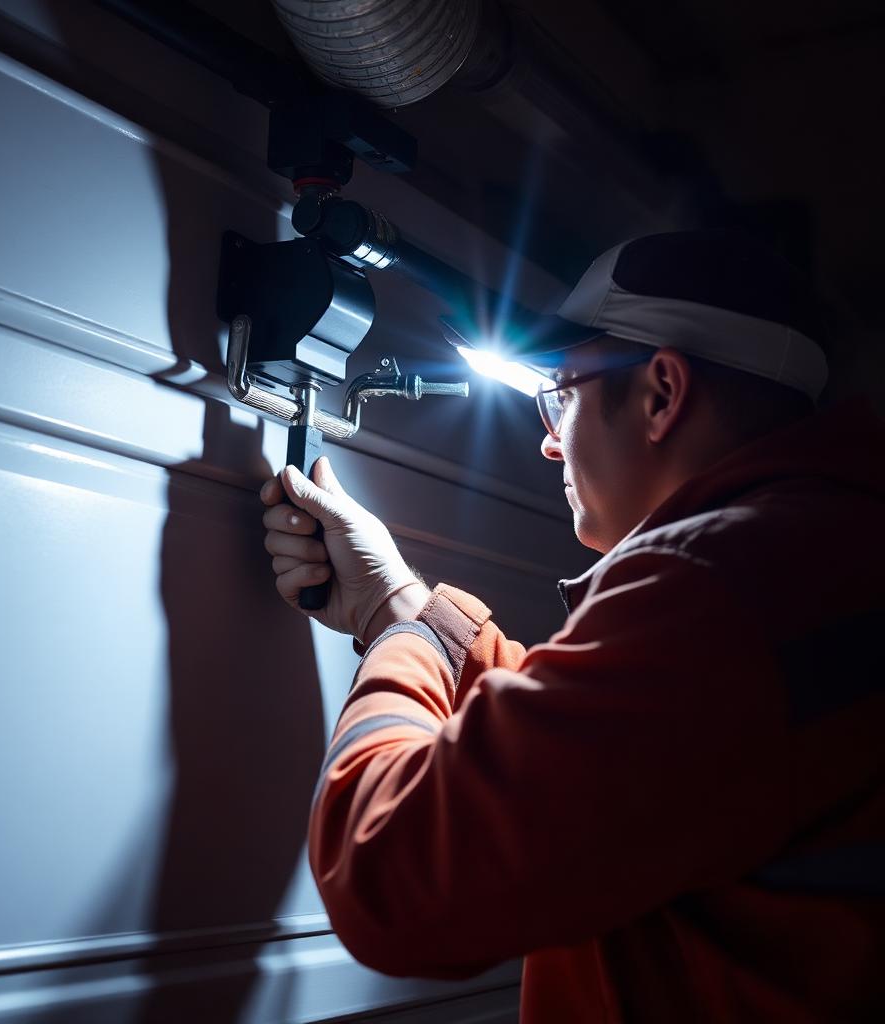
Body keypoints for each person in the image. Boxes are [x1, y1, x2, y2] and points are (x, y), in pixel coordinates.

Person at [259, 230, 885, 1022]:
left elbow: (388, 872)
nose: (551, 440)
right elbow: (611, 757)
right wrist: (401, 602)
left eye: (562, 394)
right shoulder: (821, 562)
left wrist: (400, 643)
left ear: (662, 392)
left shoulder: (719, 589)